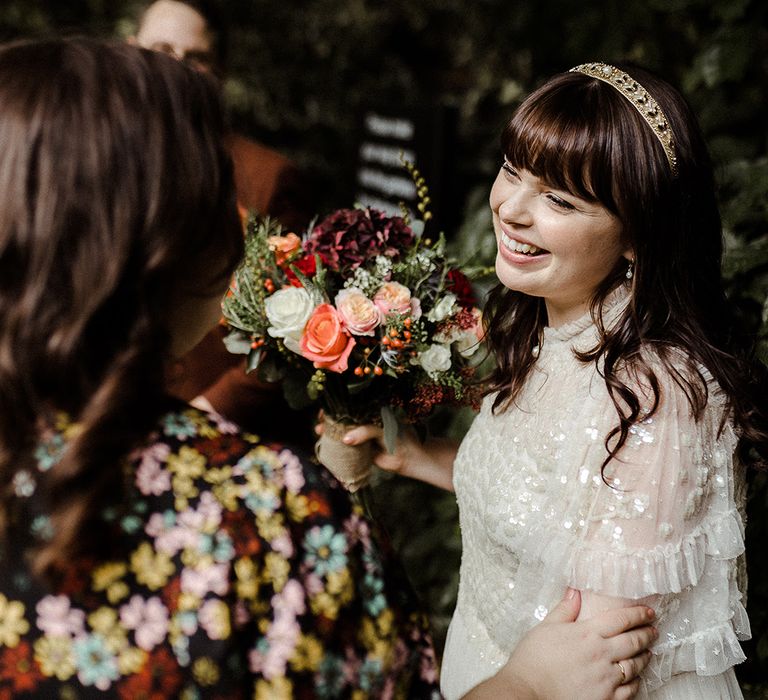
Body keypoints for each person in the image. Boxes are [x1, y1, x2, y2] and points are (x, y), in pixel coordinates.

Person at [0, 38, 656, 698]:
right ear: (179, 246)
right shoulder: (267, 516)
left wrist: (432, 460)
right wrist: (528, 686)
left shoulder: (645, 382)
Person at [338, 62, 768, 698]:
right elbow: (556, 504)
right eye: (513, 169)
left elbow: (597, 669)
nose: (510, 209)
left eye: (559, 200)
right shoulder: (558, 321)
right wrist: (422, 459)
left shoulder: (654, 399)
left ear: (637, 237)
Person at [132, 0, 315, 444]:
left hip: (220, 431)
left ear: (220, 72)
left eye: (194, 58)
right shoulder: (96, 161)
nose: (175, 68)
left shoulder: (267, 178)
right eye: (160, 49)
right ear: (131, 54)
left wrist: (201, 418)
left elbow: (291, 331)